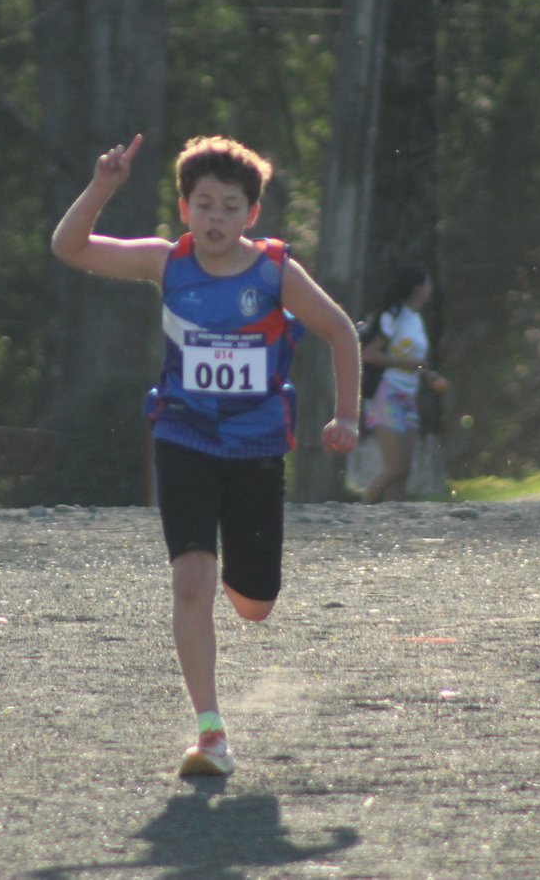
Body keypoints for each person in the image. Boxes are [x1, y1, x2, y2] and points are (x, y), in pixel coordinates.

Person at [52, 133, 361, 778]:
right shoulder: (167, 263)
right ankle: (210, 731)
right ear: (184, 209)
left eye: (228, 206)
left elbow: (340, 331)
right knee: (190, 581)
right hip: (183, 437)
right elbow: (70, 248)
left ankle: (235, 574)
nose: (214, 217)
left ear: (251, 214)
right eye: (202, 204)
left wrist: (347, 416)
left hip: (255, 449)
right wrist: (103, 186)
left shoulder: (275, 270)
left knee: (254, 603)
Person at [359, 265, 447, 504]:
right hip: (387, 394)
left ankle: (394, 525)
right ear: (418, 288)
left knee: (404, 471)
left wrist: (427, 374)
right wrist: (408, 363)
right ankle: (361, 512)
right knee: (394, 467)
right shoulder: (393, 316)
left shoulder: (416, 320)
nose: (431, 289)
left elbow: (414, 361)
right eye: (428, 284)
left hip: (408, 396)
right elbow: (370, 354)